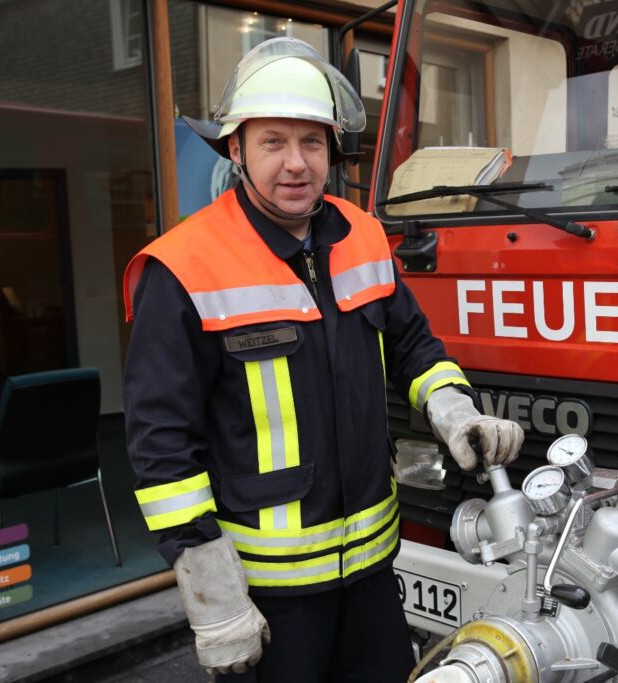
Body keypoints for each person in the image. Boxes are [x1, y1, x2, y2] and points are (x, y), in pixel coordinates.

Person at [122, 37, 523, 682]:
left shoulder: (361, 235)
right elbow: (162, 449)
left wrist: (455, 411)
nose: (295, 164)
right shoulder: (184, 270)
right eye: (272, 142)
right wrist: (211, 593)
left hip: (369, 574)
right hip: (267, 596)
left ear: (333, 149)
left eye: (311, 142)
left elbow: (415, 346)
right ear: (236, 149)